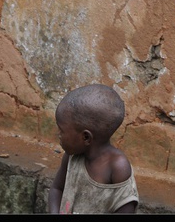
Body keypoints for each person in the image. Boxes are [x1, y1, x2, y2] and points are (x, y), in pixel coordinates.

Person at [48, 84, 139, 214]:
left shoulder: (118, 167)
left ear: (86, 137)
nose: (58, 135)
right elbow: (56, 189)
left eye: (61, 130)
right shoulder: (71, 157)